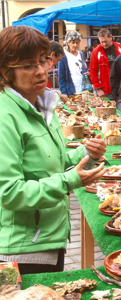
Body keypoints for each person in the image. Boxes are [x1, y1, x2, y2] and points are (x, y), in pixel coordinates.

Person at [0, 25, 107, 274]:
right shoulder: (5, 115)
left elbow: (50, 164)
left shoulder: (42, 103)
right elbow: (9, 193)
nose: (41, 71)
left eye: (43, 61)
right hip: (22, 250)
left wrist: (85, 154)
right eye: (27, 65)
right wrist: (69, 180)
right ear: (5, 72)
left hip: (47, 238)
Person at [90, 28, 121, 97]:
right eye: (102, 42)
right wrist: (98, 88)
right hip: (105, 89)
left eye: (106, 41)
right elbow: (93, 70)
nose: (104, 44)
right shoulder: (96, 52)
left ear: (111, 37)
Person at [58, 31, 88, 97]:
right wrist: (64, 93)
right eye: (73, 42)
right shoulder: (64, 56)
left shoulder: (81, 54)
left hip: (83, 90)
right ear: (68, 42)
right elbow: (61, 78)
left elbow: (84, 69)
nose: (75, 45)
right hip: (70, 91)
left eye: (77, 43)